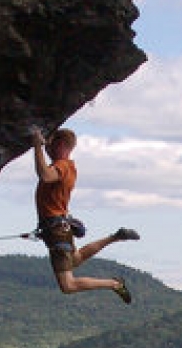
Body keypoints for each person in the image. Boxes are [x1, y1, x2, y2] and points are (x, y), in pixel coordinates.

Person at [31, 128, 140, 303]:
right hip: (59, 227)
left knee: (68, 285)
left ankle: (114, 284)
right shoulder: (69, 167)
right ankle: (114, 237)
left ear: (60, 145)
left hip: (56, 229)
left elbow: (45, 175)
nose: (46, 148)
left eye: (49, 144)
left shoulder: (62, 166)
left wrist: (36, 146)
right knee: (76, 258)